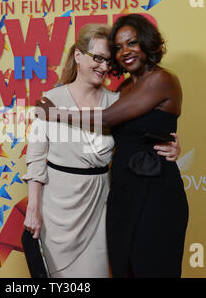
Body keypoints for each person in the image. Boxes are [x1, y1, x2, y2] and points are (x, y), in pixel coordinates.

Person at [23, 21, 181, 278]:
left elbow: (135, 129)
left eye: (109, 60)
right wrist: (33, 208)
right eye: (98, 57)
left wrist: (172, 144)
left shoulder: (116, 98)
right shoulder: (52, 98)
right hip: (57, 209)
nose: (105, 66)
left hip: (101, 206)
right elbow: (36, 157)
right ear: (78, 55)